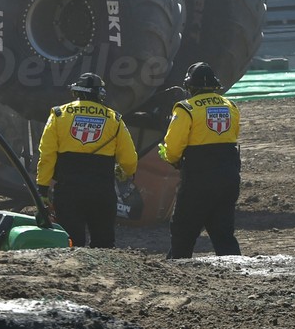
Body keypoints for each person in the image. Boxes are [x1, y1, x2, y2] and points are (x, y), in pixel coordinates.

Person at [36, 73, 137, 248]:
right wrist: (125, 172)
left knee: (71, 245)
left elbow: (47, 156)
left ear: (76, 93)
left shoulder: (59, 115)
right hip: (102, 192)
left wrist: (42, 190)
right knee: (104, 245)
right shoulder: (114, 119)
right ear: (100, 94)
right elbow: (129, 159)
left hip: (68, 192)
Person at [160, 62, 242, 259]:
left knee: (183, 231)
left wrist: (172, 158)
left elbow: (173, 145)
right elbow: (233, 135)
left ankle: (177, 272)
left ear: (190, 86)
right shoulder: (231, 106)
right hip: (229, 177)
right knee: (224, 233)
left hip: (198, 179)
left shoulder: (185, 108)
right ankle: (237, 274)